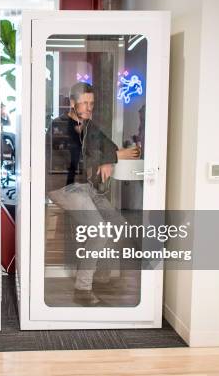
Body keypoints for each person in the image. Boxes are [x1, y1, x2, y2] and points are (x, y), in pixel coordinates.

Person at [47, 82, 139, 307]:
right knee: (99, 230)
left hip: (84, 185)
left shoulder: (88, 125)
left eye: (92, 103)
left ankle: (101, 277)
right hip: (63, 187)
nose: (89, 108)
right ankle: (83, 288)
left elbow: (109, 145)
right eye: (84, 103)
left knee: (118, 224)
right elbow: (75, 162)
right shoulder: (59, 127)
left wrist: (109, 158)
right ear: (72, 103)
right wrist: (116, 156)